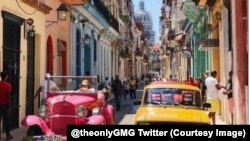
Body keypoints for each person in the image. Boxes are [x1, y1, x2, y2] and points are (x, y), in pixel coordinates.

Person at [0, 71, 13, 140]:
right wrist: (10, 107)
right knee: (7, 121)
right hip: (5, 105)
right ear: (6, 76)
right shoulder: (8, 85)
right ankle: (8, 136)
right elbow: (8, 97)